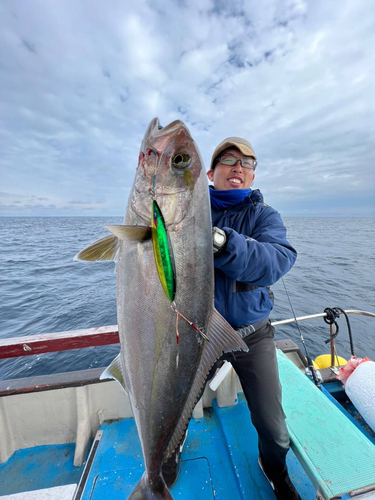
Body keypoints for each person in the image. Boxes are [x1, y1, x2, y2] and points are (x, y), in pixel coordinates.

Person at [163, 137, 300, 500]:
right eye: (228, 160)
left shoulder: (264, 216)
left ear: (253, 176)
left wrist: (222, 242)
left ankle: (275, 470)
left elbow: (276, 261)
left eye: (247, 163)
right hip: (197, 332)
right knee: (177, 406)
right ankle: (171, 448)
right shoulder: (187, 212)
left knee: (274, 427)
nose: (238, 167)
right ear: (209, 173)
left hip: (253, 335)